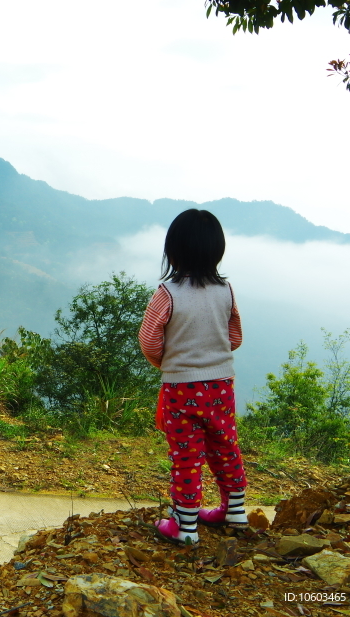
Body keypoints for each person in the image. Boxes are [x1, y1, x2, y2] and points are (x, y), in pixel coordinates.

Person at [138, 208, 248, 545]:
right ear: (218, 250)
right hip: (220, 387)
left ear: (173, 250)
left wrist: (168, 363)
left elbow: (149, 340)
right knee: (225, 445)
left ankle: (185, 527)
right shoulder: (226, 290)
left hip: (180, 389)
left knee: (187, 456)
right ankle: (235, 511)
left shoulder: (167, 292)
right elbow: (235, 338)